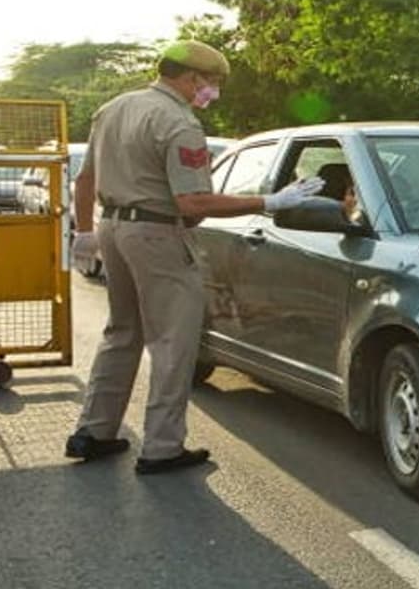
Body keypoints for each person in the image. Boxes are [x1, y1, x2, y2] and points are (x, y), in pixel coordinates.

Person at [66, 39, 324, 474]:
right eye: (212, 84)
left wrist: (86, 232)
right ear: (191, 78)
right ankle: (162, 447)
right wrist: (269, 202)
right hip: (157, 234)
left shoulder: (113, 108)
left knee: (122, 331)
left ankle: (93, 431)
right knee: (173, 340)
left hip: (114, 228)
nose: (213, 93)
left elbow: (86, 178)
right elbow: (192, 203)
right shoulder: (178, 122)